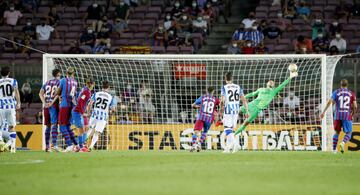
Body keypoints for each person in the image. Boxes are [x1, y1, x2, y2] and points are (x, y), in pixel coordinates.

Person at [235, 65, 298, 136]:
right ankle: (224, 122)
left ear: (273, 86)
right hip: (251, 104)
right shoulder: (261, 89)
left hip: (257, 110)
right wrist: (242, 97)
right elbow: (252, 94)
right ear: (267, 84)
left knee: (245, 123)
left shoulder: (273, 91)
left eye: (272, 82)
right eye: (269, 81)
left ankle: (234, 135)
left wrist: (290, 77)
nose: (271, 82)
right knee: (236, 111)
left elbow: (283, 84)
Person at [320, 79, 357, 154]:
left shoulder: (336, 92)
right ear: (347, 85)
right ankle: (342, 143)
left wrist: (323, 112)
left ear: (340, 84)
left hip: (337, 115)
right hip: (347, 115)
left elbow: (330, 102)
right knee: (349, 133)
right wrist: (352, 114)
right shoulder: (351, 93)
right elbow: (355, 106)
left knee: (336, 132)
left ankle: (334, 150)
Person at [219, 72, 249, 153]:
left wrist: (220, 109)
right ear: (232, 79)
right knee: (231, 130)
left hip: (228, 110)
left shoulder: (224, 87)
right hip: (236, 110)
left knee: (227, 129)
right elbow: (244, 100)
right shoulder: (238, 87)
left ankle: (236, 144)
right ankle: (228, 148)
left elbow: (222, 100)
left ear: (225, 79)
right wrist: (247, 111)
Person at [87, 81, 117, 150]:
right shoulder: (111, 97)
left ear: (102, 86)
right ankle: (91, 146)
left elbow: (90, 104)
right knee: (97, 132)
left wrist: (88, 113)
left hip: (94, 115)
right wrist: (112, 110)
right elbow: (113, 109)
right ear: (109, 88)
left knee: (89, 129)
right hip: (103, 117)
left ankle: (81, 144)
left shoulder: (96, 94)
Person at [190, 86, 220, 152]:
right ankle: (199, 143)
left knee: (196, 131)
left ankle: (194, 145)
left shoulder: (202, 97)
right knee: (205, 132)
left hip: (201, 116)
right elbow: (221, 104)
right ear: (213, 92)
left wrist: (199, 107)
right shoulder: (215, 99)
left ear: (207, 91)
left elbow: (193, 105)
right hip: (209, 118)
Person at [56, 67, 78, 152]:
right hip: (71, 105)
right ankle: (76, 145)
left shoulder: (63, 80)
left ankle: (69, 145)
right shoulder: (75, 82)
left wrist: (58, 95)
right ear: (73, 74)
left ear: (66, 73)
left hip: (64, 105)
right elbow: (74, 94)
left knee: (62, 126)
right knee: (68, 126)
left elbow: (57, 92)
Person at [39, 69, 61, 152]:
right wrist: (52, 102)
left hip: (46, 106)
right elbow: (58, 94)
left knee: (48, 126)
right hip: (53, 106)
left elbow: (40, 93)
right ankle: (54, 145)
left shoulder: (47, 83)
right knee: (54, 124)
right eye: (59, 75)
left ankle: (47, 146)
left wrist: (44, 102)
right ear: (58, 74)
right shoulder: (59, 82)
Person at [0, 67, 21, 153]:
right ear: (9, 73)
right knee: (12, 127)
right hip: (11, 106)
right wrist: (18, 103)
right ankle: (12, 148)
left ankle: (1, 142)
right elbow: (16, 92)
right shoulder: (13, 81)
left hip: (1, 107)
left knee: (0, 126)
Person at [72, 78, 95, 152]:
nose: (90, 84)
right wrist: (82, 113)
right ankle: (78, 146)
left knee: (85, 129)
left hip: (79, 111)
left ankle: (80, 145)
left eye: (90, 83)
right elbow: (80, 102)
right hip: (77, 112)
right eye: (90, 83)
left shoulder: (84, 89)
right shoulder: (87, 92)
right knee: (81, 129)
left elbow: (79, 100)